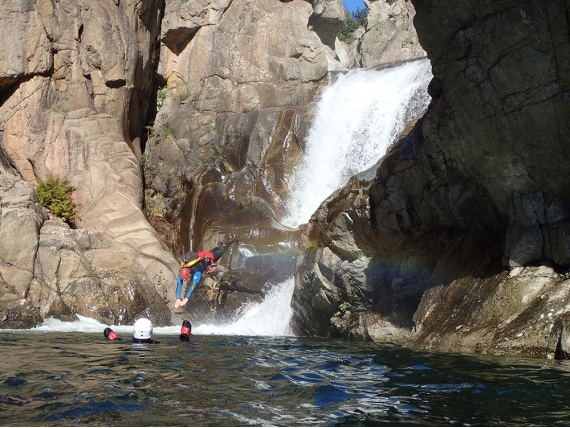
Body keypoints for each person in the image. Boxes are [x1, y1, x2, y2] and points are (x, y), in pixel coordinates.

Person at [175, 235, 237, 308]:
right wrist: (177, 298)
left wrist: (186, 298)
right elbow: (179, 283)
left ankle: (230, 240)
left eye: (187, 278)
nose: (187, 280)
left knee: (219, 253)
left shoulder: (196, 271)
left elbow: (194, 285)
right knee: (210, 253)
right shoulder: (182, 270)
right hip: (204, 256)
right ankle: (218, 246)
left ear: (188, 274)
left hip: (207, 260)